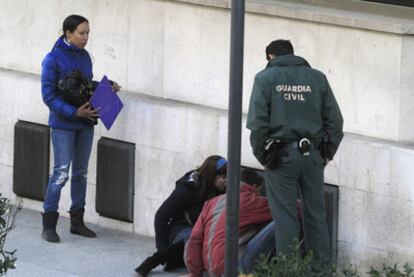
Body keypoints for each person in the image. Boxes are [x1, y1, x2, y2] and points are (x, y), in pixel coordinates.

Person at [246, 39, 343, 268]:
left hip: (281, 157)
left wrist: (263, 155)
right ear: (292, 54)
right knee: (316, 215)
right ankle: (321, 270)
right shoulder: (317, 78)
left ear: (270, 56)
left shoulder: (264, 78)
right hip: (313, 155)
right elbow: (335, 121)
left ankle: (290, 271)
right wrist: (326, 153)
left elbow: (258, 124)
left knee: (285, 217)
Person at [40, 14, 121, 243]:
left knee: (81, 174)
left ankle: (77, 222)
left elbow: (84, 86)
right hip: (64, 124)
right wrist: (74, 112)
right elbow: (48, 96)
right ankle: (49, 224)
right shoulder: (52, 59)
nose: (86, 37)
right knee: (61, 173)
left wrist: (106, 87)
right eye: (81, 33)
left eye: (88, 33)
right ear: (68, 34)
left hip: (86, 122)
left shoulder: (85, 57)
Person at [135, 155, 227, 276]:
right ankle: (163, 257)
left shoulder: (223, 190)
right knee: (193, 238)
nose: (226, 181)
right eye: (223, 177)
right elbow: (161, 216)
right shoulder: (188, 189)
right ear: (211, 177)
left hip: (205, 232)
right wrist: (162, 248)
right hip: (182, 230)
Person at [184, 168, 273, 277]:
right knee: (279, 221)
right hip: (236, 268)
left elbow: (194, 240)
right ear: (254, 186)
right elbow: (291, 209)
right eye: (260, 190)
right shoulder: (253, 200)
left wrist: (195, 273)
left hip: (211, 269)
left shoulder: (211, 203)